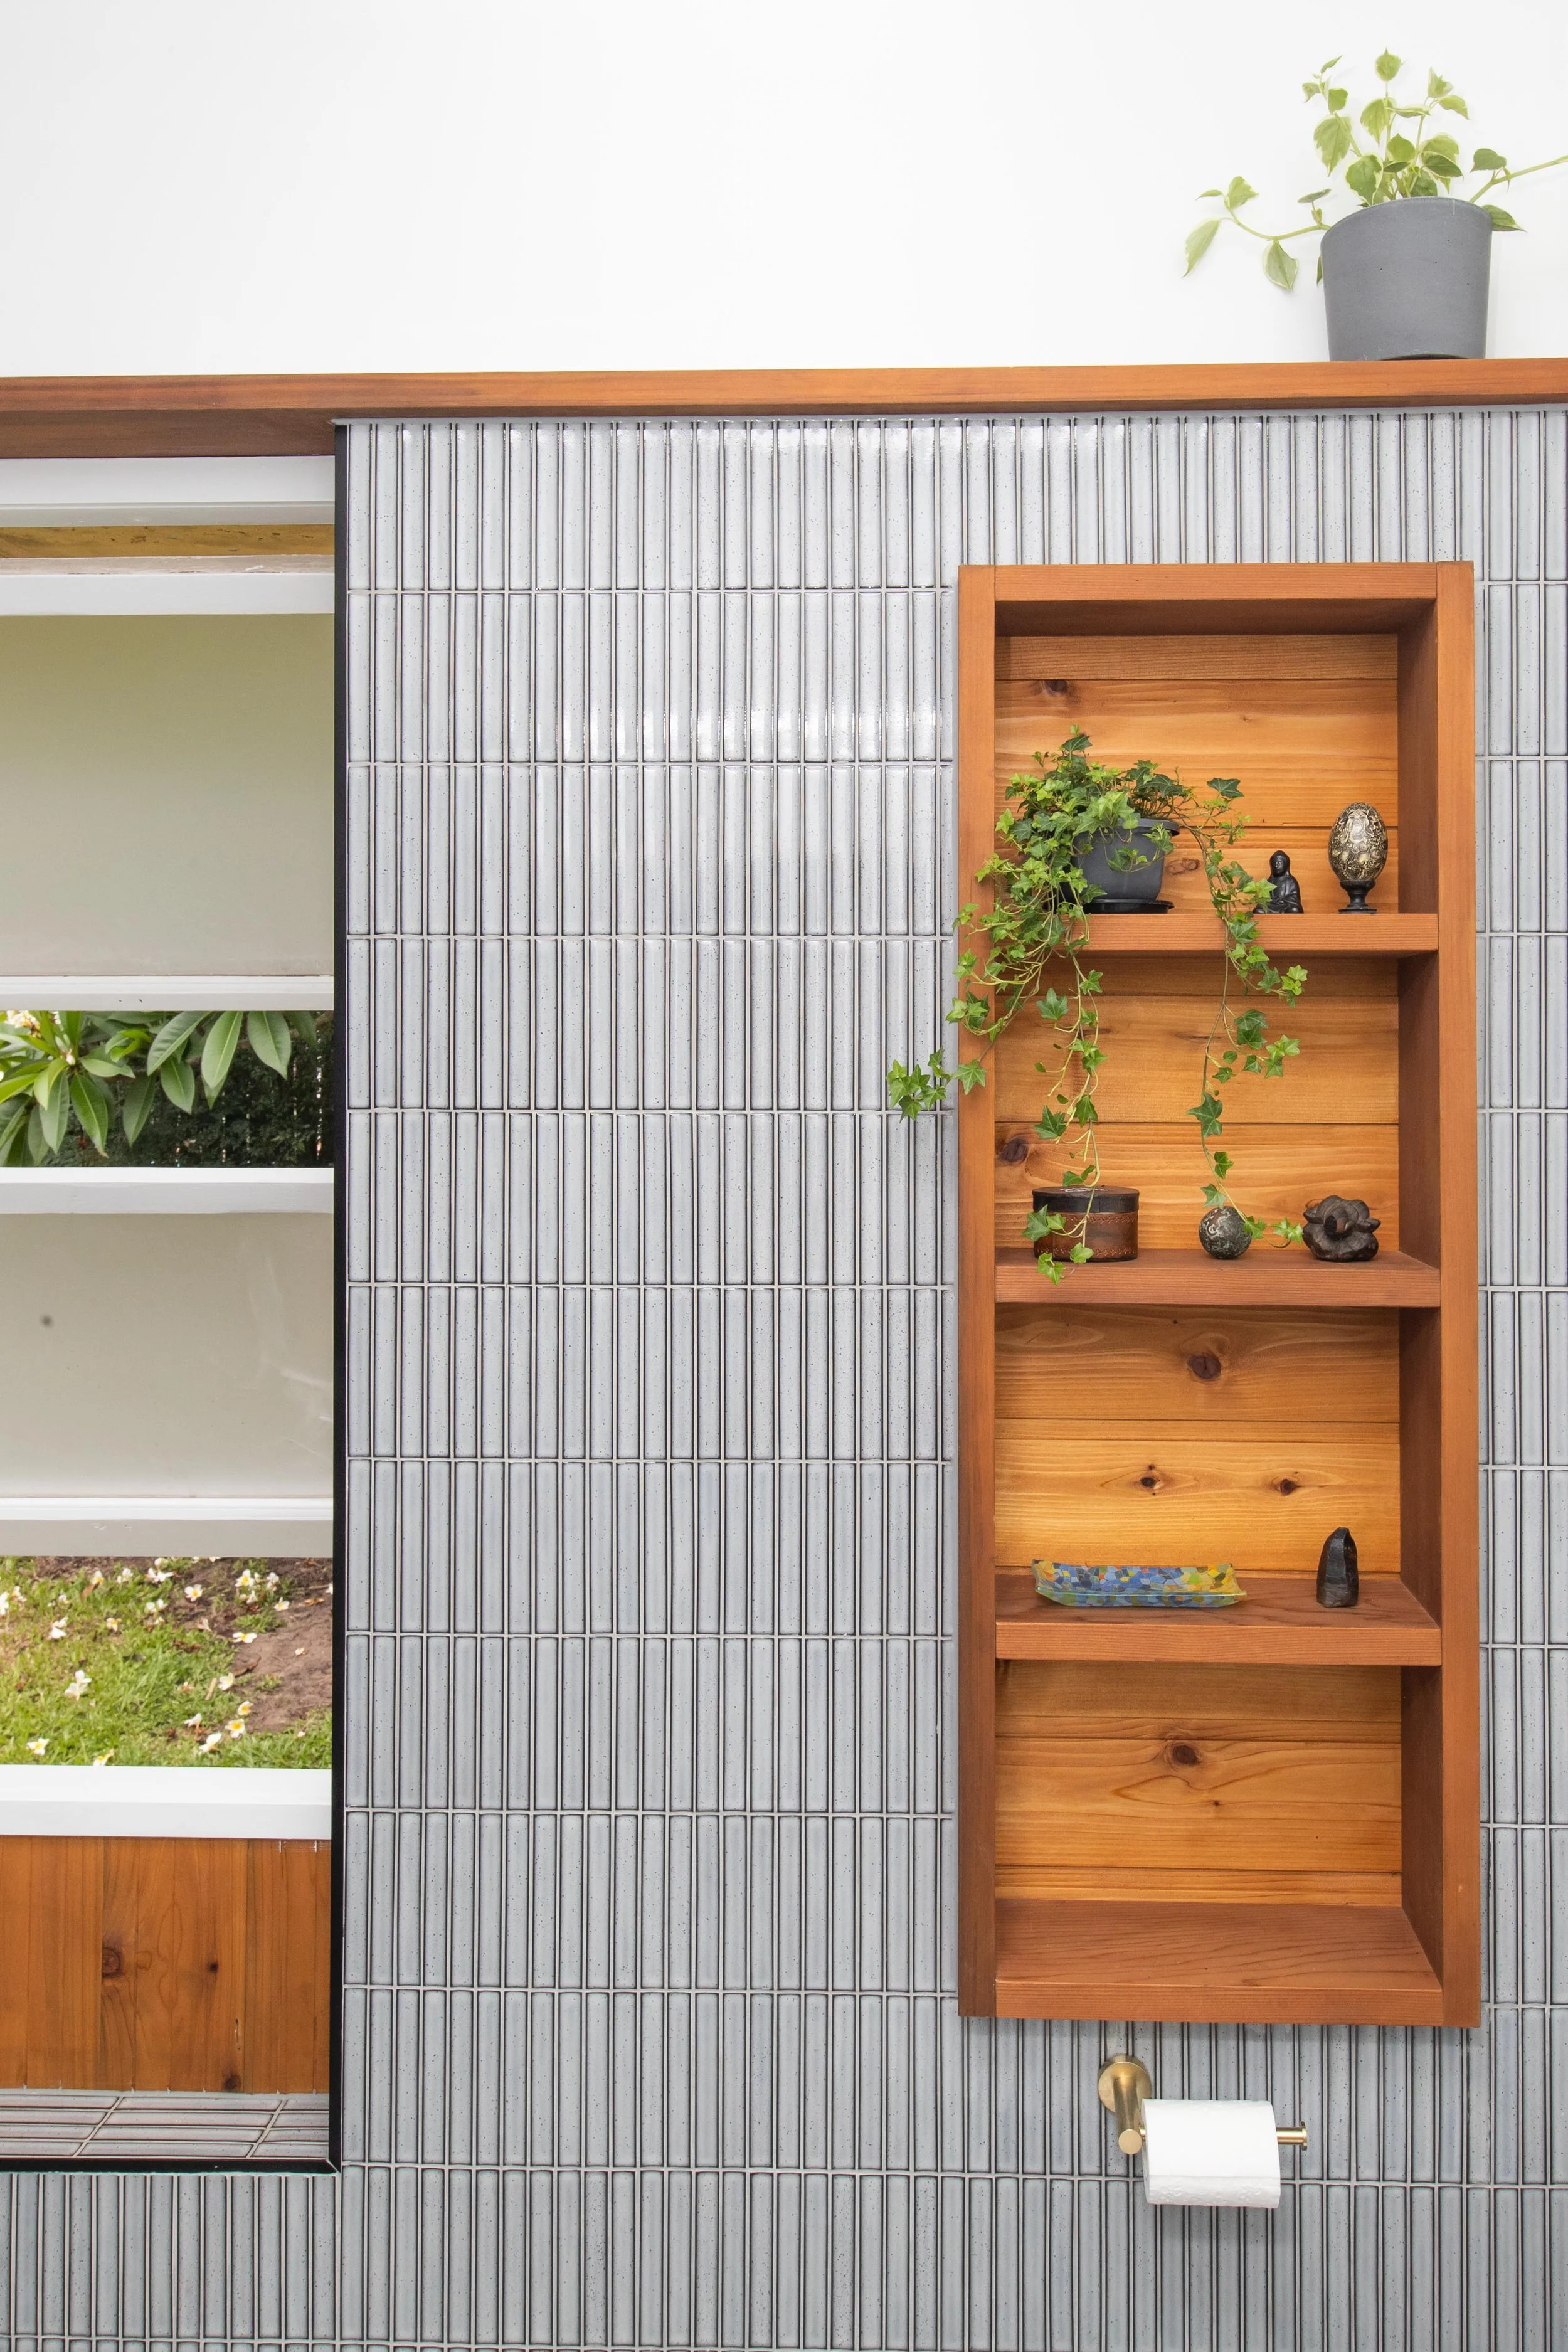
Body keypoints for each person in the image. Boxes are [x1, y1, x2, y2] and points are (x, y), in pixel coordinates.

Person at [1267, 849, 1303, 913]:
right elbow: (1264, 899)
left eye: (1279, 863)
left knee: (1294, 909)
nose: (1276, 866)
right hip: (1272, 907)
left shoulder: (1291, 881)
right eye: (1274, 863)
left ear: (1286, 865)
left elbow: (1295, 898)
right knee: (1259, 910)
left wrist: (1283, 900)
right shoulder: (1269, 882)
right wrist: (1273, 901)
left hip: (1286, 906)